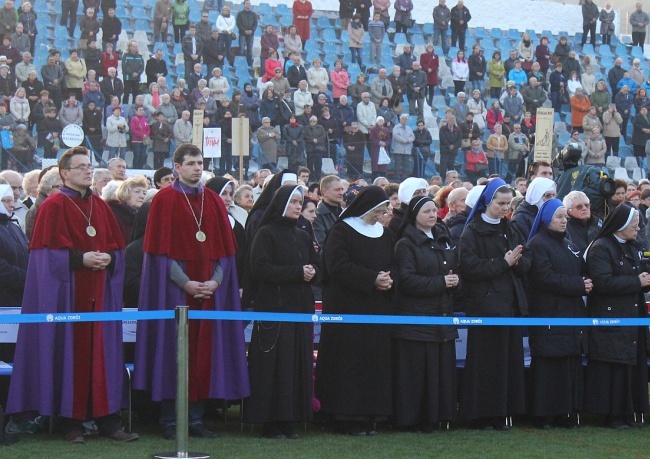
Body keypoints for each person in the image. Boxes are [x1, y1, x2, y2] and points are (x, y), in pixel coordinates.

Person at [6, 146, 139, 443]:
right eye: (80, 167)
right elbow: (45, 259)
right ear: (65, 173)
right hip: (69, 298)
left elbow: (118, 249)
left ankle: (108, 421)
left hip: (100, 298)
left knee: (103, 358)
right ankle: (71, 422)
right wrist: (81, 260)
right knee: (71, 357)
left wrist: (109, 259)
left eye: (89, 165)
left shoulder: (101, 206)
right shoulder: (53, 206)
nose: (87, 170)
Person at [134, 143, 250, 439]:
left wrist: (215, 281)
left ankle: (196, 419)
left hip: (210, 291)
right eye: (191, 163)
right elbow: (160, 253)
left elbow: (224, 251)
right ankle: (171, 421)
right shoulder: (163, 200)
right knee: (175, 353)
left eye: (200, 163)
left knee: (203, 353)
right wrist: (185, 282)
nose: (197, 168)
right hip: (176, 291)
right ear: (177, 167)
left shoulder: (212, 200)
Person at [315, 186, 393, 435]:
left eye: (383, 212)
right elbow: (337, 266)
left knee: (372, 362)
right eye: (377, 212)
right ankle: (344, 415)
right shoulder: (342, 230)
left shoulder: (384, 233)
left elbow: (394, 263)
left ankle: (370, 413)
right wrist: (371, 279)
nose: (379, 217)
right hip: (346, 306)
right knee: (348, 362)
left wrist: (389, 280)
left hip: (377, 307)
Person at [244, 185, 318, 439]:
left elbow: (316, 267)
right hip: (273, 309)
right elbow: (260, 269)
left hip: (299, 309)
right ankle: (270, 421)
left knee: (295, 365)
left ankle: (290, 419)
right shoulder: (265, 233)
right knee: (272, 367)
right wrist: (298, 272)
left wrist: (312, 272)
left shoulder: (303, 235)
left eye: (301, 203)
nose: (299, 207)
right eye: (294, 202)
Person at [459, 178, 528, 430]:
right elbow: (469, 267)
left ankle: (503, 413)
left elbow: (525, 261)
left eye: (509, 203)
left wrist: (518, 262)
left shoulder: (510, 228)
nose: (505, 208)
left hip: (509, 305)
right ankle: (481, 415)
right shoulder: (473, 231)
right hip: (485, 306)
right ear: (487, 202)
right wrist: (504, 263)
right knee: (485, 364)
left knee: (506, 364)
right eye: (500, 203)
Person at [393, 196, 458, 432]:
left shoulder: (443, 238)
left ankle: (437, 416)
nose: (433, 215)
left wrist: (454, 280)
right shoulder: (406, 244)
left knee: (438, 372)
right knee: (417, 374)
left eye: (434, 211)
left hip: (441, 316)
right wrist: (442, 282)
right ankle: (413, 420)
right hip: (416, 320)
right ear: (414, 216)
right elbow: (407, 280)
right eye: (426, 211)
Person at [526, 199, 591, 429]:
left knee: (568, 365)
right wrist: (578, 285)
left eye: (565, 217)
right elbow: (544, 278)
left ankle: (566, 412)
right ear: (546, 219)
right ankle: (543, 414)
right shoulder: (537, 244)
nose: (564, 221)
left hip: (570, 315)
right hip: (549, 314)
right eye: (559, 217)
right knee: (548, 367)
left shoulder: (568, 244)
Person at [585, 204, 650, 428]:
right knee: (613, 366)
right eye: (634, 225)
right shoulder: (601, 248)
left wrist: (643, 281)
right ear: (621, 226)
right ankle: (612, 415)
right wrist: (637, 282)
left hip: (632, 316)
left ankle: (630, 412)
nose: (638, 228)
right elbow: (603, 283)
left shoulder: (633, 246)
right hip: (610, 318)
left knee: (630, 365)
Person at [0, 182, 27, 305]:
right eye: (6, 201)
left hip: (20, 295)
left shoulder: (14, 226)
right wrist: (26, 278)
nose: (12, 205)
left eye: (12, 201)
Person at [511, 176, 556, 241]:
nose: (552, 199)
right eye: (548, 195)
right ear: (536, 195)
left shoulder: (554, 214)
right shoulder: (520, 219)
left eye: (554, 195)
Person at [313, 174, 344, 247]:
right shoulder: (317, 216)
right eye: (337, 190)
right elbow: (322, 245)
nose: (341, 193)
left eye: (342, 189)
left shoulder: (346, 213)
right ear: (325, 192)